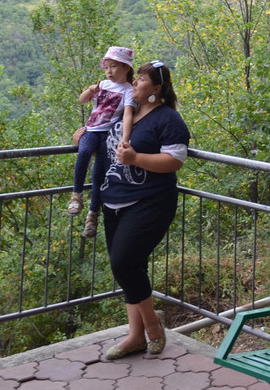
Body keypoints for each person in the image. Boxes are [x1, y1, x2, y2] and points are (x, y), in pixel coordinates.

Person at [98, 59, 189, 360]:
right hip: (114, 202)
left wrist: (136, 159)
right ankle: (135, 336)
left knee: (124, 263)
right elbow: (104, 136)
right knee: (128, 267)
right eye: (134, 77)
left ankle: (153, 327)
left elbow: (174, 161)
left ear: (157, 88)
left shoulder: (168, 119)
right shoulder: (128, 113)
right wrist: (83, 135)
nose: (134, 81)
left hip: (150, 202)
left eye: (141, 78)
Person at [68, 46, 135, 238]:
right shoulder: (103, 84)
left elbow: (128, 115)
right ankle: (76, 195)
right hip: (92, 130)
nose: (109, 71)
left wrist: (124, 140)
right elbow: (82, 100)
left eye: (114, 66)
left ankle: (92, 215)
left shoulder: (128, 90)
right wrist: (90, 90)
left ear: (126, 68)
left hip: (108, 135)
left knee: (99, 174)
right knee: (84, 152)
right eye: (107, 67)